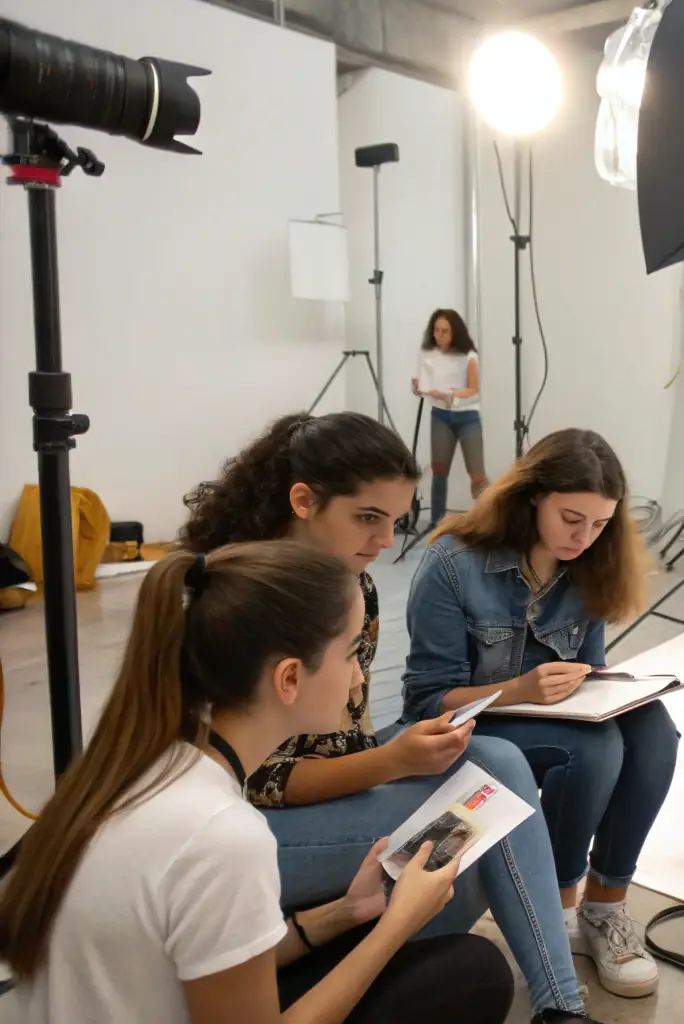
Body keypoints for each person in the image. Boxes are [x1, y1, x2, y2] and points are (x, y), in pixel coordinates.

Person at [178, 411, 595, 1024]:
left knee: (491, 773)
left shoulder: (353, 584)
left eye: (396, 521)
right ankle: (554, 1008)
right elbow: (257, 780)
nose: (385, 540)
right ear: (303, 501)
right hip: (246, 825)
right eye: (368, 518)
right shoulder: (248, 599)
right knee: (485, 820)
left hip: (319, 797)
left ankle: (549, 1002)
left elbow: (345, 736)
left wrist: (401, 755)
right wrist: (394, 762)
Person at [0, 541, 514, 1024]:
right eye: (351, 653)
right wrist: (398, 923)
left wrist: (343, 913)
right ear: (289, 678)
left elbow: (206, 962)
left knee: (448, 961)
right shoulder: (224, 836)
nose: (360, 678)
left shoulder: (142, 761)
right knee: (472, 973)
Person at [400, 428, 676, 999]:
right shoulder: (453, 562)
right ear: (531, 496)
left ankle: (605, 909)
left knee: (654, 730)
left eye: (600, 524)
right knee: (593, 749)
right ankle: (558, 910)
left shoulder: (590, 564)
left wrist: (610, 690)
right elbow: (426, 703)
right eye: (572, 519)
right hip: (471, 728)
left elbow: (592, 676)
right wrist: (518, 690)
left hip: (550, 718)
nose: (585, 537)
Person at [411, 308, 487, 523]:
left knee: (477, 474)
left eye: (445, 331)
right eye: (436, 330)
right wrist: (418, 387)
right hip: (440, 415)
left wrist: (449, 394)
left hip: (467, 417)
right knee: (439, 471)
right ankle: (437, 521)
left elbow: (473, 390)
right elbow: (426, 384)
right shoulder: (428, 353)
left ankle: (487, 519)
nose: (439, 335)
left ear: (455, 332)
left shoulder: (468, 356)